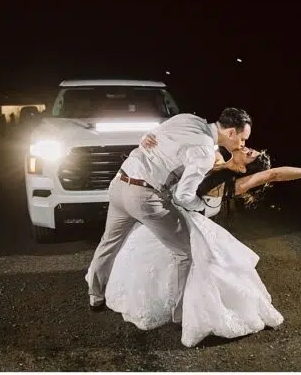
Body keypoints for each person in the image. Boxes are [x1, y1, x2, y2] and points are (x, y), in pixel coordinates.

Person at [105, 140, 301, 347]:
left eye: (250, 153)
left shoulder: (234, 184)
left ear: (246, 167)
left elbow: (273, 174)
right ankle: (171, 306)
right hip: (167, 218)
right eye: (248, 147)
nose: (246, 148)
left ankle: (192, 312)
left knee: (203, 270)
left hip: (187, 225)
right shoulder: (214, 156)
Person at [86, 108, 253, 322]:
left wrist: (143, 138)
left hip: (120, 184)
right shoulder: (204, 151)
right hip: (144, 196)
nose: (242, 144)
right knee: (184, 253)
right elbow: (184, 196)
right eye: (242, 139)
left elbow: (152, 135)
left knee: (108, 242)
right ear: (231, 133)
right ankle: (179, 314)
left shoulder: (188, 119)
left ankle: (95, 296)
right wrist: (201, 206)